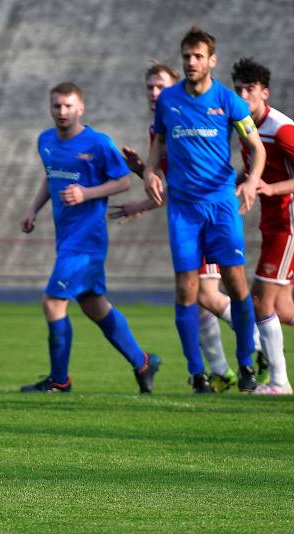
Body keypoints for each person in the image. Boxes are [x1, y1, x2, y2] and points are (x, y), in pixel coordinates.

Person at [113, 62, 250, 393]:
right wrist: (144, 172)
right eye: (149, 87)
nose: (154, 93)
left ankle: (254, 345)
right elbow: (169, 185)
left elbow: (236, 158)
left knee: (205, 294)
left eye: (159, 86)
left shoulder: (196, 111)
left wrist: (245, 184)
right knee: (196, 296)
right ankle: (218, 369)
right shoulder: (160, 127)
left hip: (212, 212)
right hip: (186, 215)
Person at [144, 27, 266, 393]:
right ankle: (197, 373)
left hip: (221, 206)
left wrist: (249, 182)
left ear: (212, 60)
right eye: (187, 57)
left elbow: (257, 149)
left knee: (236, 284)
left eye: (198, 56)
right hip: (183, 209)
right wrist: (150, 171)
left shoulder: (229, 102)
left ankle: (246, 361)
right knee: (186, 290)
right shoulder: (168, 101)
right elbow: (159, 143)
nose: (191, 62)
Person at [20, 82, 161, 394]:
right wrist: (32, 209)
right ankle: (143, 362)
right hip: (66, 238)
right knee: (94, 305)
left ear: (80, 108)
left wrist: (86, 193)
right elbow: (51, 176)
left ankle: (59, 381)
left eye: (68, 106)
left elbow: (123, 181)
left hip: (87, 240)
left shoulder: (98, 143)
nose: (62, 111)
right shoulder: (46, 141)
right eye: (57, 106)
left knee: (53, 302)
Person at [232, 57, 294, 395]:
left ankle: (280, 383)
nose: (243, 95)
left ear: (265, 93)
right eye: (238, 88)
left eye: (250, 89)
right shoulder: (246, 129)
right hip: (272, 223)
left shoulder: (282, 129)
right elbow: (251, 170)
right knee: (283, 308)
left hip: (289, 224)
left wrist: (270, 189)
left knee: (260, 301)